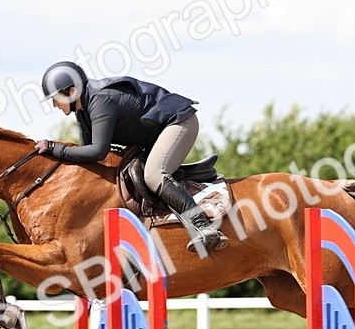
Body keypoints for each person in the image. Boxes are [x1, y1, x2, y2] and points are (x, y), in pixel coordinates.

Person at [34, 61, 227, 255]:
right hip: (155, 134)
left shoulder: (100, 99)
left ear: (72, 91)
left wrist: (53, 148)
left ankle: (203, 226)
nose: (54, 104)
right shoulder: (83, 111)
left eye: (55, 98)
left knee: (153, 175)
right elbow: (89, 155)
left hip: (178, 123)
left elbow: (97, 151)